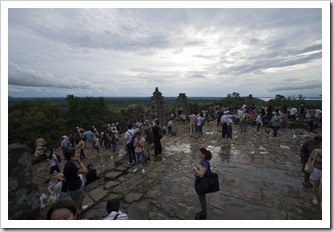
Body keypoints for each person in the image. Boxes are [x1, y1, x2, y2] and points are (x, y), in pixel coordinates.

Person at [63, 147, 88, 212]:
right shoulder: (71, 166)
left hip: (74, 185)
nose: (77, 154)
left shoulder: (70, 163)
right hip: (74, 187)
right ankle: (78, 211)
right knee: (77, 200)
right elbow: (85, 171)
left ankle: (79, 208)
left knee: (82, 195)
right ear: (72, 156)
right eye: (76, 153)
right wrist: (79, 162)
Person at [192, 148, 213, 220]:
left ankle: (204, 214)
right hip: (200, 182)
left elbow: (201, 174)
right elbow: (198, 171)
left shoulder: (205, 164)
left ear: (203, 155)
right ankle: (203, 211)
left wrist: (194, 168)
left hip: (203, 184)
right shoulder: (201, 161)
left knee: (202, 199)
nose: (198, 154)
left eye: (200, 153)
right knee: (201, 198)